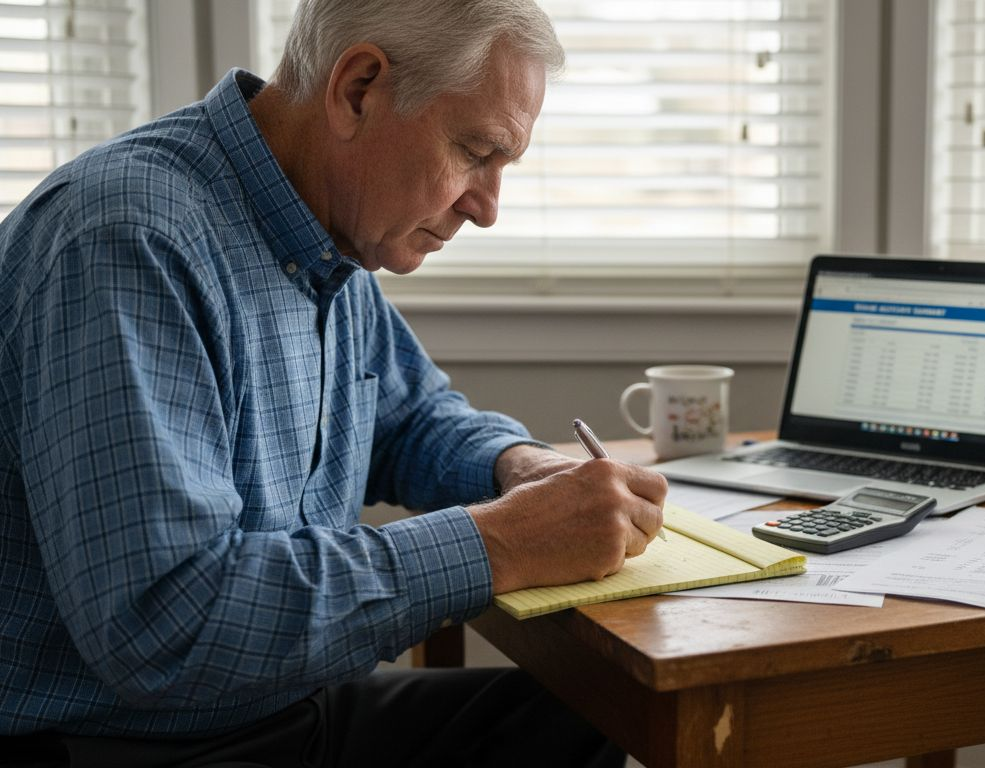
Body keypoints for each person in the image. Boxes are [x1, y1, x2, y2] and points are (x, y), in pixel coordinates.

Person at [0, 0, 666, 765]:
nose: (486, 209)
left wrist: (513, 466)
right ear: (358, 90)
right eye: (475, 152)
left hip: (275, 711)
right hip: (124, 743)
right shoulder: (127, 240)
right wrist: (500, 543)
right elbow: (168, 622)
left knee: (592, 715)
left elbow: (410, 419)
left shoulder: (323, 230)